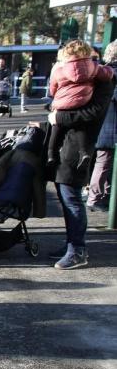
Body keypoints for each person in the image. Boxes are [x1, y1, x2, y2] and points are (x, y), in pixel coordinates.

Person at [47, 63, 114, 270]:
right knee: (66, 196)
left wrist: (59, 117)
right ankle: (72, 244)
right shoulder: (85, 80)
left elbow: (91, 114)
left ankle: (77, 249)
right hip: (67, 146)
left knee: (71, 198)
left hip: (78, 148)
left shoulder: (102, 83)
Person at [47, 40, 114, 171]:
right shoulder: (93, 68)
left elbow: (53, 87)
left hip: (62, 103)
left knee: (56, 128)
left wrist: (56, 98)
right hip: (82, 99)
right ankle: (84, 152)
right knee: (80, 129)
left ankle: (51, 154)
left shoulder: (60, 69)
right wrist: (108, 71)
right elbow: (107, 73)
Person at [88, 39, 117, 213]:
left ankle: (102, 195)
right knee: (104, 161)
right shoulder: (112, 73)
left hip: (104, 123)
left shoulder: (104, 72)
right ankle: (95, 197)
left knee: (105, 161)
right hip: (109, 125)